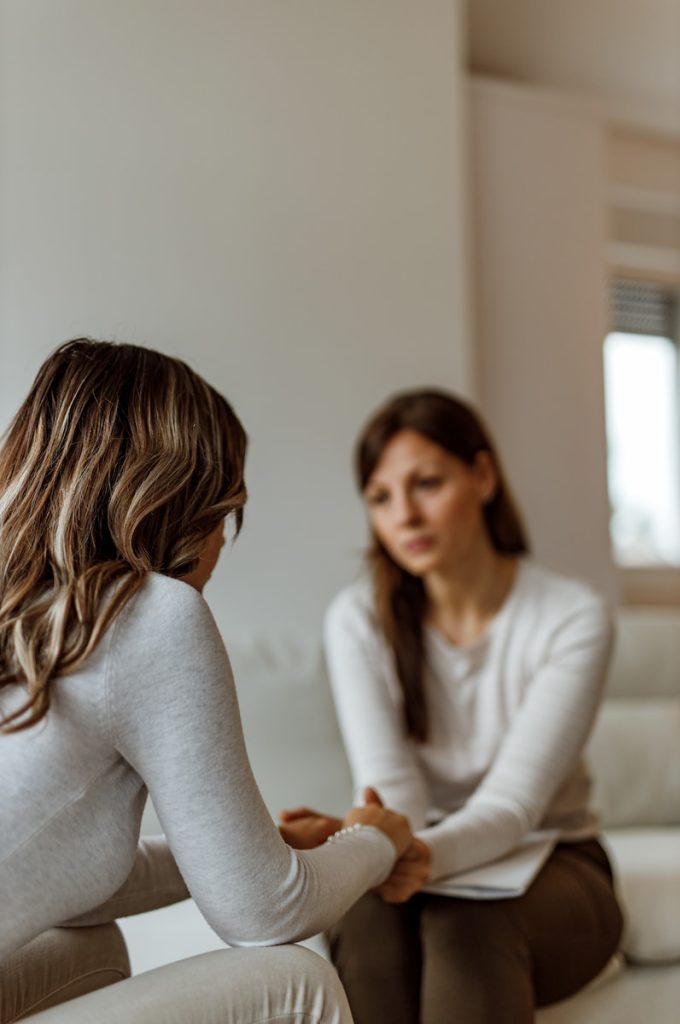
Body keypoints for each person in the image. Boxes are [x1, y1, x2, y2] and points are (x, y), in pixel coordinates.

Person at [0, 339, 415, 1024]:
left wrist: (270, 848)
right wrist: (376, 839)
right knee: (293, 980)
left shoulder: (30, 614)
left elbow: (52, 876)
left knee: (86, 947)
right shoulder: (148, 614)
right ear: (177, 501)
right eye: (224, 512)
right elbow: (264, 914)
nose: (222, 542)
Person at [285, 389, 624, 1024]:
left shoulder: (571, 616)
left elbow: (513, 807)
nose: (405, 516)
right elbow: (397, 794)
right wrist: (379, 846)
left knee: (462, 921)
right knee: (365, 916)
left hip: (556, 858)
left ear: (484, 476)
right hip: (414, 853)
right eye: (381, 498)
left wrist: (412, 855)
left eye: (427, 484)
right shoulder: (358, 619)